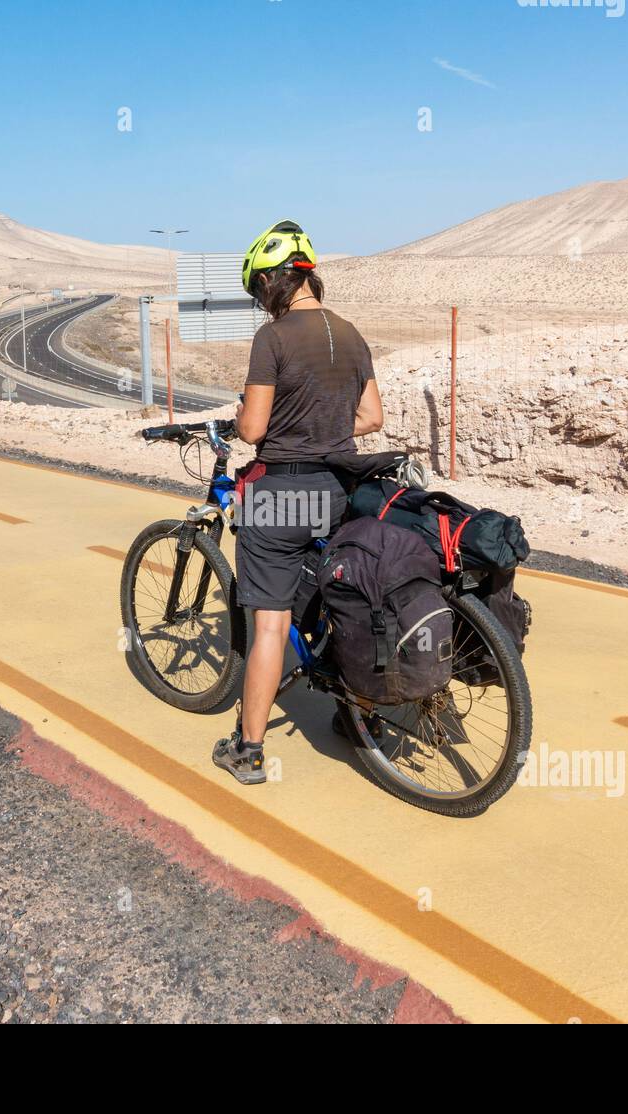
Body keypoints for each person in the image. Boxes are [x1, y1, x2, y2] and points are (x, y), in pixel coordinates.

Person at [213, 220, 384, 786]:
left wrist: (245, 418)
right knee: (337, 599)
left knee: (268, 625)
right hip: (337, 491)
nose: (262, 302)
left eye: (259, 290)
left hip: (278, 495)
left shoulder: (274, 337)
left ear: (272, 282)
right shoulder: (352, 332)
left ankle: (249, 750)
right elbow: (371, 419)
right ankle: (357, 713)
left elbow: (255, 427)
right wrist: (323, 426)